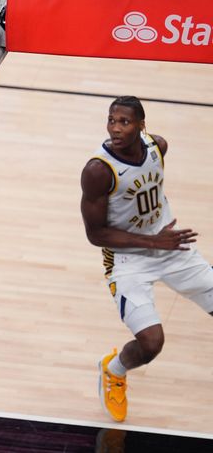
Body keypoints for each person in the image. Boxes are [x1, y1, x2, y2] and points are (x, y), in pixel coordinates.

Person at [80, 95, 213, 422]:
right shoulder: (98, 171)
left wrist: (161, 239)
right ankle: (113, 369)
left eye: (124, 121)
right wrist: (154, 241)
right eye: (111, 120)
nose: (115, 128)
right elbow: (95, 235)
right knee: (152, 344)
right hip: (128, 260)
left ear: (142, 125)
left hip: (169, 243)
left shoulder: (158, 146)